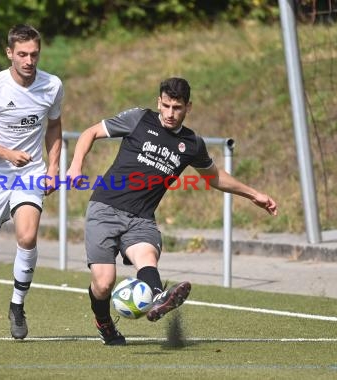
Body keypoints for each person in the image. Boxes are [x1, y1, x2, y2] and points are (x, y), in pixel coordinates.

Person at [66, 77, 278, 345]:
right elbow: (91, 132)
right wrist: (75, 165)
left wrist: (254, 194)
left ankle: (158, 298)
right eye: (165, 106)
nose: (169, 113)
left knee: (147, 257)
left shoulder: (191, 144)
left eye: (176, 108)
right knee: (104, 283)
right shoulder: (139, 119)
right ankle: (104, 322)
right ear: (158, 102)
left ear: (188, 107)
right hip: (105, 209)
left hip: (141, 218)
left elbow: (214, 177)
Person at [0, 24, 64, 340]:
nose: (29, 60)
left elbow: (54, 125)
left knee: (28, 235)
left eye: (34, 54)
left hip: (30, 173)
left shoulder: (52, 86)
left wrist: (53, 167)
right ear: (9, 53)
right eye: (22, 54)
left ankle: (17, 306)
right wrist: (7, 153)